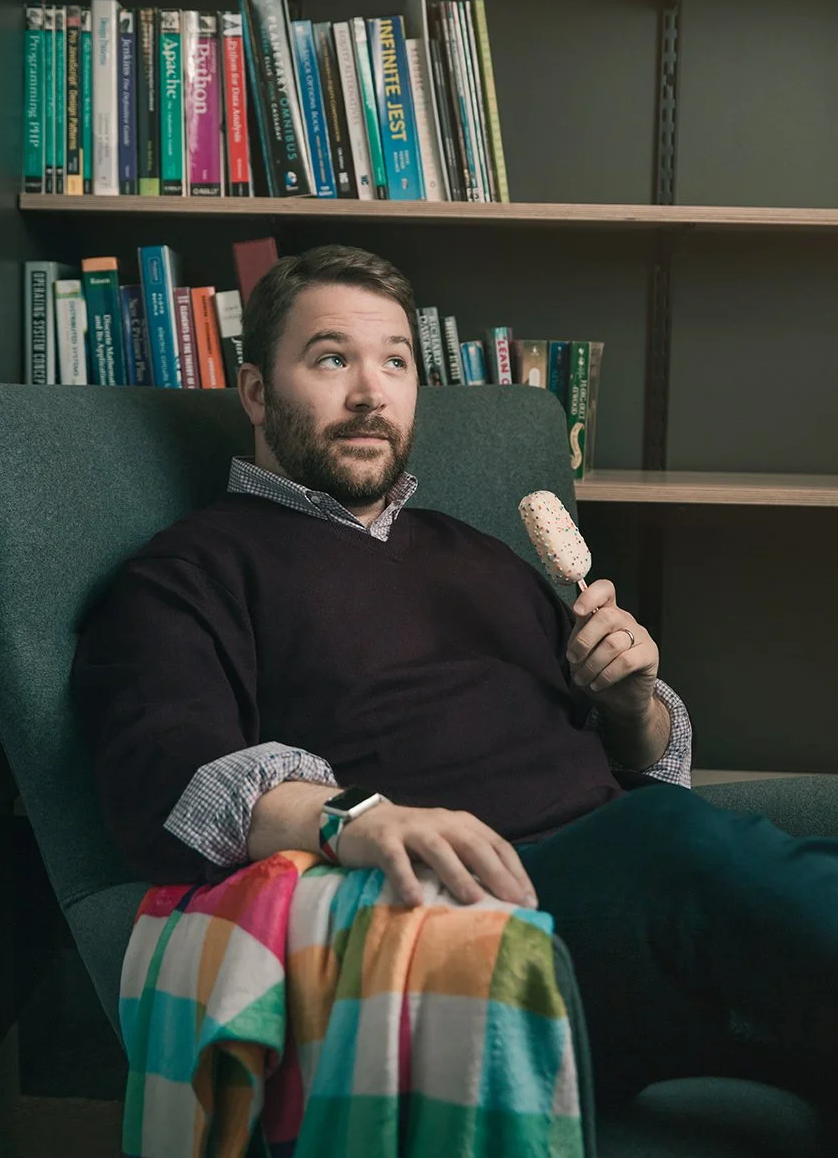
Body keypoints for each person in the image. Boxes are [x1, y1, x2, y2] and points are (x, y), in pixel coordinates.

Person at [72, 245, 837, 1115]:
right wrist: (359, 818)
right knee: (683, 847)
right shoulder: (188, 571)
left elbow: (630, 760)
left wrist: (630, 705)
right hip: (463, 920)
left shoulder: (480, 554)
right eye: (332, 359)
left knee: (713, 863)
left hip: (630, 873)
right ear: (255, 392)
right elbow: (169, 777)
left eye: (395, 362)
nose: (371, 393)